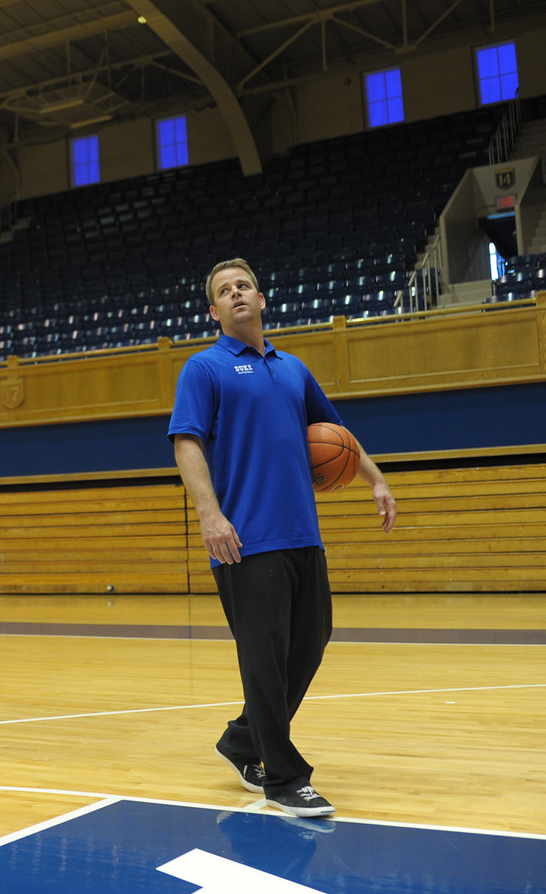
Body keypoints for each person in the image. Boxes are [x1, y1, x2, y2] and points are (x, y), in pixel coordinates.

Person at [168, 258, 396, 819]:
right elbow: (186, 442)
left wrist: (376, 479)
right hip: (244, 539)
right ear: (214, 310)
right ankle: (284, 776)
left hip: (302, 533)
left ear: (262, 299)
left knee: (313, 637)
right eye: (224, 290)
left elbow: (336, 435)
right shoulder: (204, 368)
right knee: (263, 659)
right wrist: (209, 514)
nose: (235, 293)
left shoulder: (293, 368)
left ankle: (245, 741)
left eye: (243, 285)